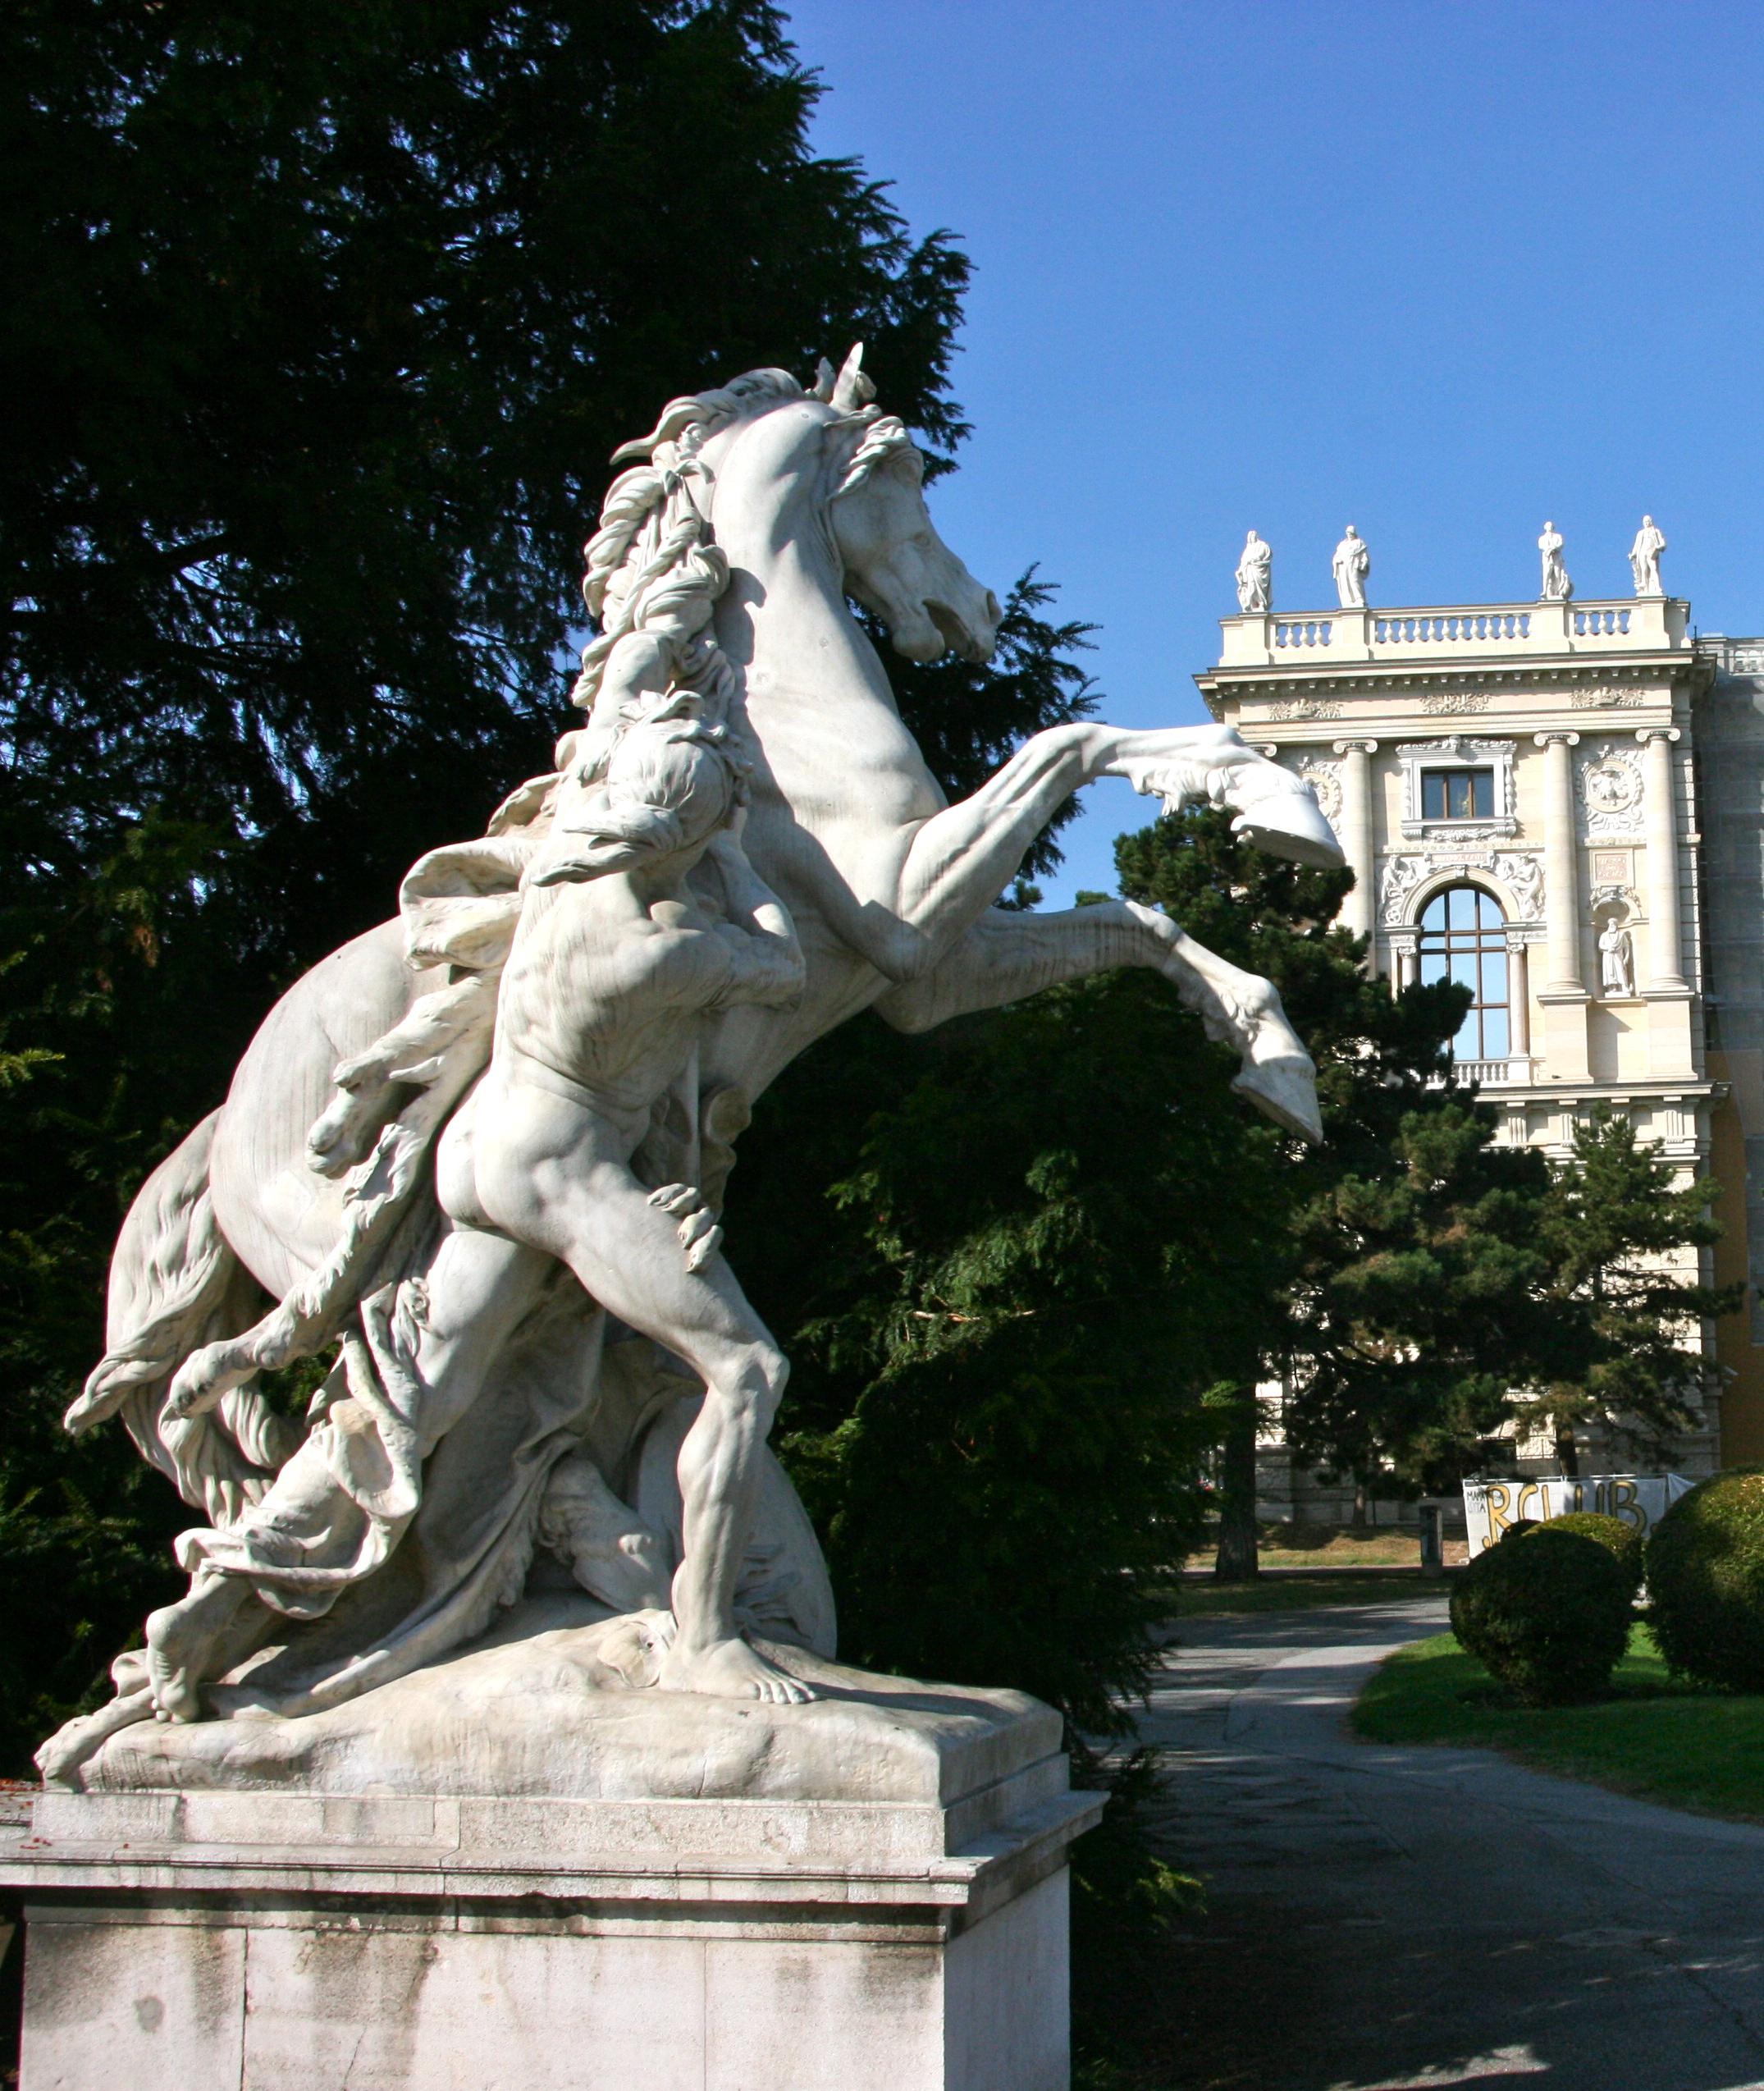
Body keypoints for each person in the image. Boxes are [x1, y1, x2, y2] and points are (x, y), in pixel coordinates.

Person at [148, 708, 814, 1715]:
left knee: (418, 1396)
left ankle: (218, 1606)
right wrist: (732, 848)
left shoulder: (555, 873)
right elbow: (784, 964)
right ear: (685, 828)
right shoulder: (663, 945)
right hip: (559, 1167)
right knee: (747, 1369)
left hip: (478, 1149)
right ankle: (710, 1638)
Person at [1332, 525, 1370, 609]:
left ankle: (1358, 599)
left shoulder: (1359, 543)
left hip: (1354, 564)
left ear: (1354, 533)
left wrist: (1364, 563)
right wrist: (1337, 559)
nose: (1350, 535)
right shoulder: (1342, 544)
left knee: (1355, 580)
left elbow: (1364, 556)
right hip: (1343, 565)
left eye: (1351, 533)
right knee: (1345, 582)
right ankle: (1348, 600)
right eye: (1348, 533)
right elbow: (1337, 555)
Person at [1236, 529, 1273, 612]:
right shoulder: (1248, 549)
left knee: (1258, 586)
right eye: (1251, 536)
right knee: (1251, 585)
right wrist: (1241, 570)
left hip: (1257, 568)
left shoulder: (1262, 545)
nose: (1253, 537)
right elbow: (1243, 560)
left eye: (1254, 535)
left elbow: (1263, 553)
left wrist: (1253, 559)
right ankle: (1250, 602)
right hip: (1249, 569)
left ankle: (1261, 602)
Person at [1629, 515, 1666, 597]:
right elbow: (1637, 545)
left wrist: (1660, 547)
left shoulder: (1656, 531)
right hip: (1642, 552)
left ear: (1651, 522)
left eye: (1648, 521)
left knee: (1654, 569)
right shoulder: (1641, 533)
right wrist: (1633, 554)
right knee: (1644, 570)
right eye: (1645, 522)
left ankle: (1657, 587)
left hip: (1651, 553)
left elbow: (1663, 542)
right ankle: (1645, 588)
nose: (1646, 523)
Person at [1538, 521, 1572, 602]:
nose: (1550, 526)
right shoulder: (1542, 538)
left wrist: (1553, 549)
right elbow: (1541, 546)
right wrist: (1549, 550)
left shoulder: (1558, 536)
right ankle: (1545, 591)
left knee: (1557, 573)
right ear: (1545, 527)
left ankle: (1558, 591)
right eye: (1548, 525)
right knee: (1546, 574)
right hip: (1547, 556)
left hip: (1557, 556)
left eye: (1551, 525)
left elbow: (1560, 544)